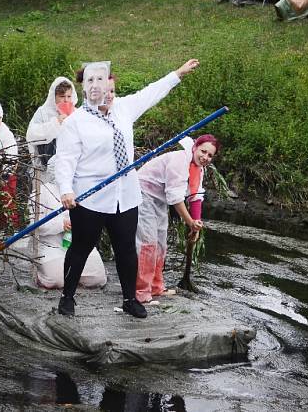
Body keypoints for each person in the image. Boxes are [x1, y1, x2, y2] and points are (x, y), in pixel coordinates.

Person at [55, 59, 200, 319]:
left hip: (126, 195)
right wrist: (66, 190)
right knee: (81, 248)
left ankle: (129, 299)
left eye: (111, 91)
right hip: (91, 197)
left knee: (126, 249)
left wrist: (176, 74)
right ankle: (67, 297)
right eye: (101, 91)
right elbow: (65, 160)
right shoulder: (76, 122)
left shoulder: (124, 109)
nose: (108, 96)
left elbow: (150, 93)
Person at [135, 134, 219, 303]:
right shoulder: (180, 161)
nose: (205, 157)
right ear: (195, 147)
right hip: (143, 193)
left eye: (210, 155)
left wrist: (196, 223)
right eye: (203, 151)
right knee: (148, 243)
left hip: (159, 199)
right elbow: (175, 198)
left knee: (161, 244)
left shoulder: (198, 169)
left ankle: (156, 287)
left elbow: (195, 197)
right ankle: (141, 292)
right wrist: (190, 222)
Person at [27, 157, 107, 289]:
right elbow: (35, 226)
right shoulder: (42, 192)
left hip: (79, 244)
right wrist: (61, 224)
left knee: (96, 279)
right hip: (50, 246)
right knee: (57, 281)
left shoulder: (83, 190)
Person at [26, 77, 77, 168]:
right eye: (62, 96)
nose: (66, 100)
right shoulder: (43, 112)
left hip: (72, 162)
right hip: (48, 163)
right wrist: (55, 124)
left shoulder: (76, 113)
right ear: (54, 96)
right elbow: (31, 134)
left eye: (68, 96)